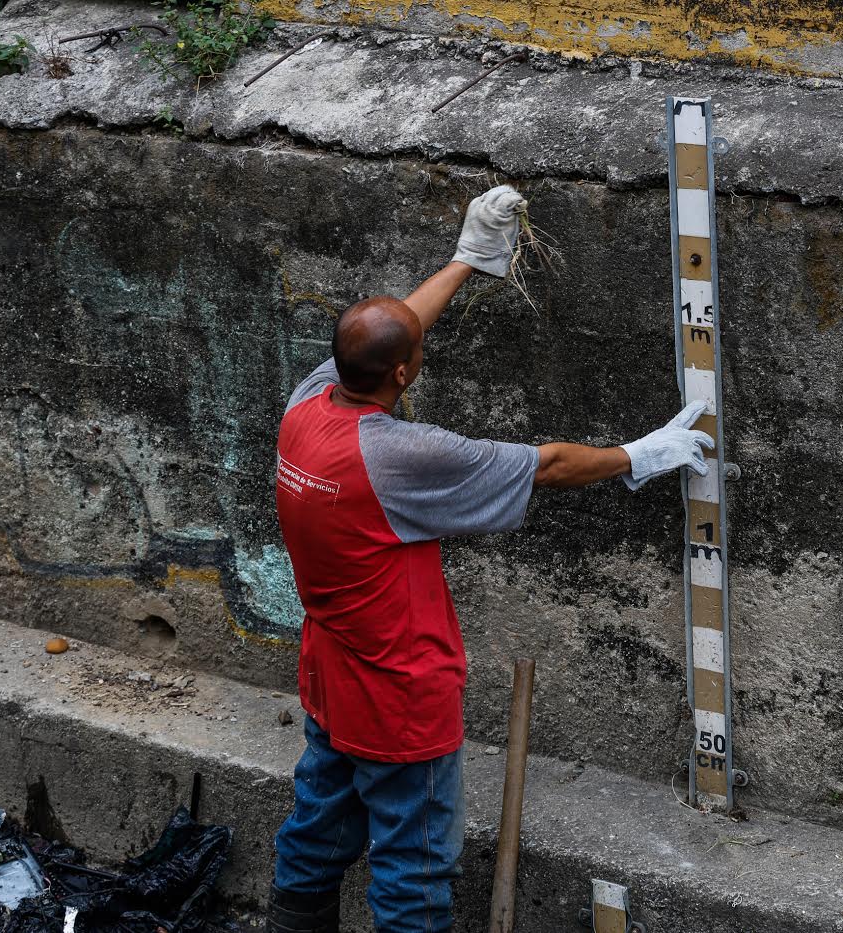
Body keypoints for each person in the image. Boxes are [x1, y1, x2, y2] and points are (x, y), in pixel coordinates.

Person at [267, 185, 711, 932]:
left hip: (330, 679)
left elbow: (391, 336)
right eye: (414, 357)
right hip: (400, 696)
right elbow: (545, 465)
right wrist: (638, 454)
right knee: (412, 867)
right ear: (404, 375)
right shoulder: (399, 455)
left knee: (317, 828)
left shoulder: (307, 405)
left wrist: (466, 262)